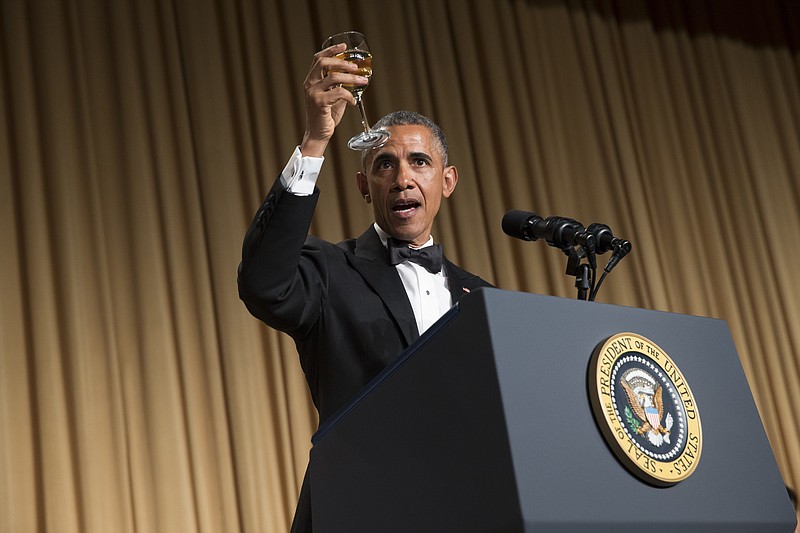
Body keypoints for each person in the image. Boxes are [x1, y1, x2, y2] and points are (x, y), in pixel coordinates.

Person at [237, 41, 493, 532]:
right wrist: (315, 139)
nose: (402, 178)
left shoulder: (483, 300)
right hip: (355, 509)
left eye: (419, 162)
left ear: (448, 181)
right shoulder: (330, 270)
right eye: (384, 165)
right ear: (363, 186)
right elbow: (263, 284)